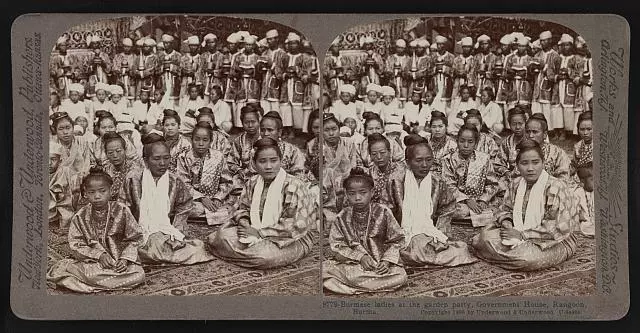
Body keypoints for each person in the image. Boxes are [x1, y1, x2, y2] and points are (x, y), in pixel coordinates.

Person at [206, 137, 315, 269]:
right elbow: (242, 208)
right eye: (262, 161)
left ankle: (242, 254)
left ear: (280, 161)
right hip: (253, 229)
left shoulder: (294, 186)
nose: (268, 166)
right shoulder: (252, 182)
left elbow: (294, 225)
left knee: (264, 258)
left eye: (273, 161)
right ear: (254, 163)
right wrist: (245, 224)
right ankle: (245, 253)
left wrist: (259, 233)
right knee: (220, 237)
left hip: (290, 238)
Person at [472, 140, 578, 271]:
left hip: (553, 241)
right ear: (517, 166)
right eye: (524, 163)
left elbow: (556, 228)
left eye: (535, 162)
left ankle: (504, 256)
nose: (530, 168)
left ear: (543, 163)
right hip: (517, 231)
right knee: (483, 238)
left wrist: (522, 235)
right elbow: (505, 209)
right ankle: (508, 254)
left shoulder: (556, 187)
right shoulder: (515, 183)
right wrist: (507, 223)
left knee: (526, 260)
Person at [118, 133, 214, 265]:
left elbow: (185, 205)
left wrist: (175, 231)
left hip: (167, 229)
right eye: (156, 159)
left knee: (198, 248)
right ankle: (154, 252)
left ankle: (159, 253)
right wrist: (137, 232)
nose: (162, 163)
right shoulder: (133, 179)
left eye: (166, 158)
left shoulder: (174, 180)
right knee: (151, 247)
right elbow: (123, 208)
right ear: (146, 161)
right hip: (141, 232)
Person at [46, 168, 145, 293]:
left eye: (102, 191)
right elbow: (75, 244)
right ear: (85, 194)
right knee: (79, 269)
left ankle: (81, 284)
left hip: (120, 262)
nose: (97, 196)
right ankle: (86, 281)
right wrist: (99, 256)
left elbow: (136, 238)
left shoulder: (122, 210)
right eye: (92, 192)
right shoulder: (80, 216)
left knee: (139, 275)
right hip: (93, 263)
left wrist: (125, 259)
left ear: (111, 191)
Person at [395, 135, 478, 266]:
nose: (424, 165)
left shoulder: (436, 181)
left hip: (430, 231)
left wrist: (439, 236)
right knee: (416, 246)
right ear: (407, 162)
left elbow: (447, 208)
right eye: (419, 160)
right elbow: (386, 212)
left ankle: (424, 254)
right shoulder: (396, 181)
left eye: (428, 160)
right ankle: (417, 253)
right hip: (404, 233)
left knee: (462, 248)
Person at [322, 168, 407, 295]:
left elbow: (398, 240)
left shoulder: (383, 212)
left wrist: (387, 261)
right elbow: (336, 246)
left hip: (380, 265)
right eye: (352, 193)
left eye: (363, 192)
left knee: (401, 277)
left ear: (372, 192)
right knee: (325, 270)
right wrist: (360, 257)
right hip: (354, 264)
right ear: (346, 194)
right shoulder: (342, 216)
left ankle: (348, 287)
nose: (357, 198)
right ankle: (361, 285)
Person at [177, 121, 235, 220]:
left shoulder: (218, 156)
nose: (201, 144)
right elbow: (183, 183)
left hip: (215, 198)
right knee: (193, 208)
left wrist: (218, 198)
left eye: (205, 140)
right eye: (197, 139)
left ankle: (211, 213)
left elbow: (226, 182)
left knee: (231, 205)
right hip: (193, 199)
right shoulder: (183, 157)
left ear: (210, 141)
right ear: (191, 140)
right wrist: (202, 198)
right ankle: (214, 214)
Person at [442, 124, 500, 220]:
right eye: (462, 141)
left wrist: (483, 200)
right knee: (460, 211)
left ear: (476, 143)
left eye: (470, 142)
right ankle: (476, 215)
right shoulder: (448, 159)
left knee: (496, 207)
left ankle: (476, 214)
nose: (465, 145)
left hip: (479, 199)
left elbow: (492, 184)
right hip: (458, 200)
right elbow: (448, 184)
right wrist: (466, 199)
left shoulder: (484, 158)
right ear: (457, 141)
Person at [247, 111, 307, 178]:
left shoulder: (292, 151)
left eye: (270, 130)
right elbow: (252, 174)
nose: (265, 134)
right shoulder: (256, 150)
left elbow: (300, 173)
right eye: (262, 130)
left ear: (279, 132)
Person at [366, 133, 407, 221]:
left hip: (397, 215)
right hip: (374, 215)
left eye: (382, 152)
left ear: (389, 152)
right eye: (374, 154)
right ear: (370, 155)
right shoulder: (369, 173)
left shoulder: (401, 170)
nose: (379, 157)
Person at [520, 114, 571, 182]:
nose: (530, 135)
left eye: (535, 132)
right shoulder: (521, 152)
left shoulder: (557, 153)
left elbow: (563, 178)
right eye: (528, 132)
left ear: (544, 134)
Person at [101, 132, 144, 201]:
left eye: (118, 151)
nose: (115, 155)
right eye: (110, 153)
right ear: (106, 154)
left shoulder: (134, 171)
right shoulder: (106, 170)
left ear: (125, 150)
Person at [531, 31, 560, 133]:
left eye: (545, 41)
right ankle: (536, 129)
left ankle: (549, 130)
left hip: (549, 87)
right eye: (541, 41)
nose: (542, 43)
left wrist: (545, 69)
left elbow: (557, 73)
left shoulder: (555, 56)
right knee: (536, 108)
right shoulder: (537, 54)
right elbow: (531, 71)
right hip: (537, 85)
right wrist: (532, 68)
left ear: (550, 41)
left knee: (547, 109)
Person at [552, 34, 580, 140]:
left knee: (568, 109)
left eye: (567, 45)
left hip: (569, 86)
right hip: (558, 86)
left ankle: (568, 132)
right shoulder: (557, 58)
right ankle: (559, 131)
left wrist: (568, 72)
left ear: (571, 46)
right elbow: (551, 71)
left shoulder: (575, 59)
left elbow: (578, 74)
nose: (565, 47)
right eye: (563, 45)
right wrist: (557, 76)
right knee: (557, 109)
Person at [463, 110, 508, 176]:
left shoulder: (489, 141)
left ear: (481, 125)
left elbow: (496, 162)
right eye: (469, 125)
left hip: (486, 174)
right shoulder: (462, 140)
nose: (473, 128)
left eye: (475, 125)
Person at [49, 141, 79, 232]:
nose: (49, 163)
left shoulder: (66, 172)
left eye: (53, 159)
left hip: (64, 207)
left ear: (60, 161)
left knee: (67, 218)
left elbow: (75, 192)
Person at [50, 112, 92, 178]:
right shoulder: (53, 145)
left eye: (68, 128)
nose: (65, 132)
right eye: (61, 129)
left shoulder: (81, 141)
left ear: (73, 128)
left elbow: (88, 163)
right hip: (59, 180)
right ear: (55, 130)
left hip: (82, 178)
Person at [233, 104, 262, 179]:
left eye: (253, 122)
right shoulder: (239, 141)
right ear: (242, 123)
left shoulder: (265, 138)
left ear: (258, 121)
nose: (250, 125)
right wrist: (239, 170)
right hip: (244, 177)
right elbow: (231, 161)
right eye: (246, 122)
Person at [260, 29, 286, 113]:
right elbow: (259, 74)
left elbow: (283, 75)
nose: (269, 41)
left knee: (276, 115)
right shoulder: (264, 53)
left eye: (271, 39)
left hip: (276, 91)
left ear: (277, 39)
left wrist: (272, 65)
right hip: (264, 90)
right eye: (268, 39)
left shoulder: (283, 54)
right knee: (264, 114)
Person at [501, 107, 528, 174]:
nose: (517, 127)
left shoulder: (531, 140)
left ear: (525, 123)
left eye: (520, 124)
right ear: (509, 125)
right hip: (511, 177)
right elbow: (499, 163)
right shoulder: (506, 142)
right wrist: (506, 172)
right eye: (514, 124)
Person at [452, 37, 477, 103]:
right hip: (457, 84)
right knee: (456, 102)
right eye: (464, 47)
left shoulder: (474, 60)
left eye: (468, 47)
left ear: (471, 48)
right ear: (462, 48)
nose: (466, 49)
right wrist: (457, 73)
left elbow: (474, 73)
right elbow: (453, 71)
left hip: (469, 85)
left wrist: (466, 75)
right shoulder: (457, 59)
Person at [575, 163, 595, 237]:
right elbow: (575, 214)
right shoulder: (578, 193)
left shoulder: (595, 192)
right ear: (582, 182)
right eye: (592, 179)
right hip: (585, 226)